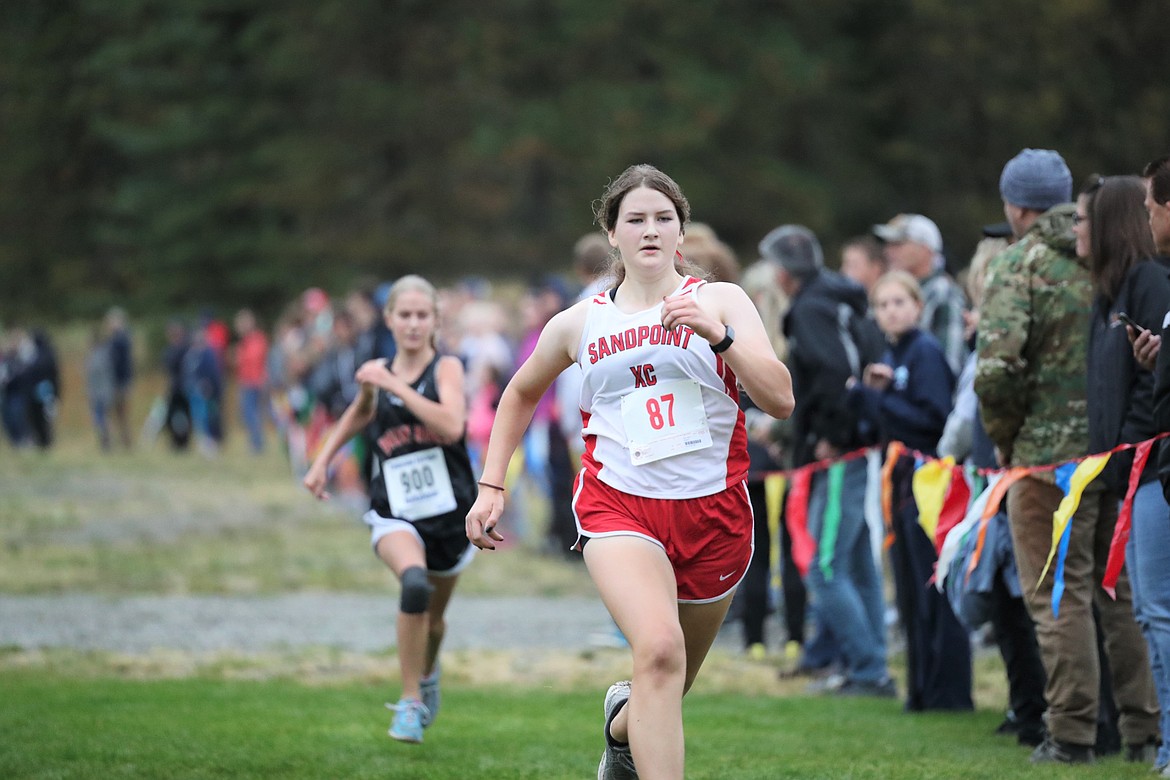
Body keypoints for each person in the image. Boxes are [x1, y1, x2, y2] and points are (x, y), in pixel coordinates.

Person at [465, 164, 794, 779]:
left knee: (666, 680)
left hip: (715, 512)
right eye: (635, 220)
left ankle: (621, 734)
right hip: (619, 507)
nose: (650, 231)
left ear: (681, 230)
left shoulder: (723, 300)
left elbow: (780, 399)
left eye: (663, 219)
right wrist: (491, 485)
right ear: (611, 234)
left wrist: (718, 337)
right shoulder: (579, 323)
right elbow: (517, 394)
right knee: (660, 651)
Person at [976, 148, 1158, 764]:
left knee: (1058, 594)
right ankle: (1145, 730)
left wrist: (1006, 440)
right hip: (1115, 448)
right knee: (1117, 593)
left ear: (1015, 205)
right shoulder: (1109, 257)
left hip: (1044, 457)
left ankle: (1072, 732)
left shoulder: (1017, 266)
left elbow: (997, 371)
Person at [304, 274, 476, 745]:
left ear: (436, 321)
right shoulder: (376, 370)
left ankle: (427, 674)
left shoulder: (447, 369)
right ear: (389, 319)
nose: (414, 324)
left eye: (423, 316)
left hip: (450, 513)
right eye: (405, 315)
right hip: (394, 510)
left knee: (435, 622)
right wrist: (322, 461)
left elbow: (453, 424)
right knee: (413, 584)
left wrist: (396, 387)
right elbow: (359, 413)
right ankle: (408, 702)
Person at [761, 224, 891, 693]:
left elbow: (833, 372)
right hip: (857, 447)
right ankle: (870, 664)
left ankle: (869, 670)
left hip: (838, 455)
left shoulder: (811, 308)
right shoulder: (841, 298)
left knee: (825, 567)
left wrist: (833, 435)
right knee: (856, 565)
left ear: (784, 271)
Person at [1077, 173, 1170, 769]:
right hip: (1131, 472)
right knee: (1144, 611)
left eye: (1084, 219)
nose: (1076, 230)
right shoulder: (1109, 294)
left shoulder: (1149, 282)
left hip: (1150, 468)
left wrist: (1131, 453)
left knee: (1156, 611)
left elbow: (1150, 390)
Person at [939, 236, 1047, 745]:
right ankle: (1023, 706)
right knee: (1003, 601)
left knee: (1015, 601)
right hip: (992, 473)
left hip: (1008, 473)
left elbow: (978, 405)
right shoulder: (982, 339)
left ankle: (1033, 711)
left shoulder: (999, 339)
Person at [847, 271, 968, 711]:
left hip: (930, 486)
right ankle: (920, 690)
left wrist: (871, 397)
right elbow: (879, 424)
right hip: (900, 484)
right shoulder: (891, 355)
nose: (891, 311)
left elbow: (934, 420)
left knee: (934, 587)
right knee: (912, 589)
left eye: (900, 302)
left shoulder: (925, 352)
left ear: (918, 307)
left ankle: (949, 693)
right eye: (883, 304)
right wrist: (873, 395)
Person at [873, 213, 968, 375]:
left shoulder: (943, 293)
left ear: (925, 249)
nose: (889, 251)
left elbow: (950, 365)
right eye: (888, 245)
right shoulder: (893, 292)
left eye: (899, 244)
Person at [232, 308, 269, 454]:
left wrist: (239, 356)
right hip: (246, 381)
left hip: (255, 382)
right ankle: (254, 443)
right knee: (248, 415)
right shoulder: (245, 342)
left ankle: (257, 444)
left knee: (253, 414)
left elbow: (254, 358)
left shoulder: (257, 339)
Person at [104, 307, 134, 449]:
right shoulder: (120, 338)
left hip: (118, 382)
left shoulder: (120, 339)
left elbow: (119, 363)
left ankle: (118, 442)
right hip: (117, 381)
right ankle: (123, 442)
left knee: (117, 413)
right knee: (119, 414)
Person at [85, 322, 117, 451]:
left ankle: (108, 442)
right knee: (99, 419)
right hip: (99, 392)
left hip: (101, 393)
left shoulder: (99, 356)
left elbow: (98, 375)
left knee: (101, 419)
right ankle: (105, 443)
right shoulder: (100, 355)